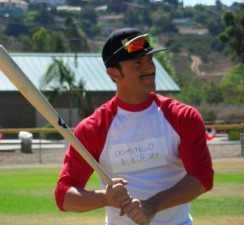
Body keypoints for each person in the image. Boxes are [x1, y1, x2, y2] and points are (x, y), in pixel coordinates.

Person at [54, 27, 214, 225]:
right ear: (113, 73)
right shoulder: (93, 129)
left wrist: (152, 206)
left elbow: (202, 176)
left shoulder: (182, 116)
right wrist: (105, 198)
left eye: (149, 60)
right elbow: (64, 195)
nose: (149, 68)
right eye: (137, 63)